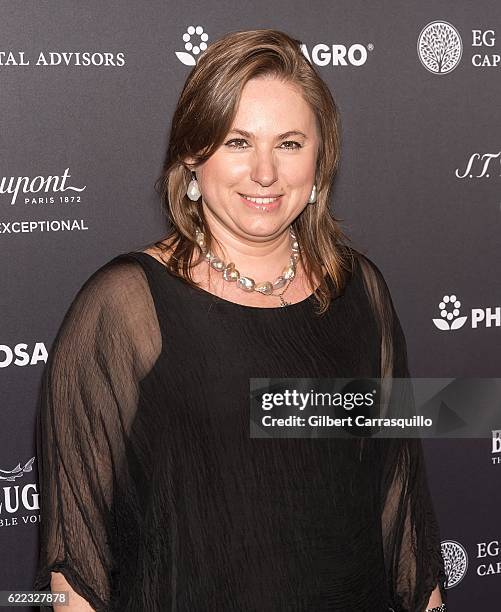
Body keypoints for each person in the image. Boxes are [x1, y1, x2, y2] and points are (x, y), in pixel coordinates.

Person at [33, 29, 448, 611]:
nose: (264, 173)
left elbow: (402, 510)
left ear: (319, 159)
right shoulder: (125, 308)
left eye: (289, 143)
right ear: (192, 156)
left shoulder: (362, 293)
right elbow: (78, 568)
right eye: (236, 141)